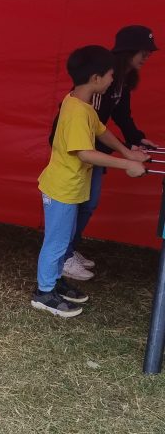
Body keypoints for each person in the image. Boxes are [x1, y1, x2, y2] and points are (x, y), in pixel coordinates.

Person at [32, 45, 148, 318]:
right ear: (96, 78)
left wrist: (127, 151)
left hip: (71, 188)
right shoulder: (74, 111)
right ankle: (43, 293)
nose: (112, 81)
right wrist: (127, 164)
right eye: (110, 75)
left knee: (65, 239)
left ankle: (55, 280)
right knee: (57, 242)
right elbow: (85, 152)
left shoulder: (83, 104)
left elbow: (102, 132)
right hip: (61, 189)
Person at [62, 25, 158, 281]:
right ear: (129, 51)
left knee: (88, 204)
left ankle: (69, 249)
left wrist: (135, 140)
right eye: (144, 51)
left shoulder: (119, 80)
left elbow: (120, 115)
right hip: (81, 150)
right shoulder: (99, 82)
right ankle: (64, 254)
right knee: (78, 203)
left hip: (95, 149)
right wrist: (124, 155)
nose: (147, 56)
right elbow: (89, 128)